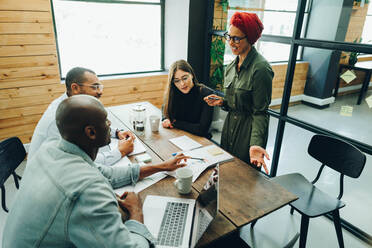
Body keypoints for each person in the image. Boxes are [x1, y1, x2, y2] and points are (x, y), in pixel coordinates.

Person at [2, 95, 188, 247]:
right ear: (91, 132)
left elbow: (105, 173)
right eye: (106, 121)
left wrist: (162, 166)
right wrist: (136, 212)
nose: (110, 125)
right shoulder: (87, 191)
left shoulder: (50, 148)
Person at [204, 12, 273, 173]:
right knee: (226, 170)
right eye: (229, 36)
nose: (230, 42)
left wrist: (256, 143)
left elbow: (261, 112)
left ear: (249, 38)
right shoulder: (231, 67)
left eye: (236, 38)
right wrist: (222, 102)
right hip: (229, 128)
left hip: (248, 133)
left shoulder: (261, 69)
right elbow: (234, 102)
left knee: (244, 177)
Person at [28, 67, 134, 166]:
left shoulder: (75, 106)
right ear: (75, 88)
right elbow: (81, 161)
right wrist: (120, 151)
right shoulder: (57, 119)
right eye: (94, 87)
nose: (100, 92)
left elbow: (92, 126)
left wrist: (116, 132)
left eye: (100, 87)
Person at [162, 60, 214, 138]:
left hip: (201, 140)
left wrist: (175, 123)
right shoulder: (174, 92)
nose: (182, 84)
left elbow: (202, 129)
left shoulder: (207, 94)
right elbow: (165, 109)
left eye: (185, 78)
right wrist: (165, 119)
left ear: (192, 75)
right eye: (177, 81)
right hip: (179, 136)